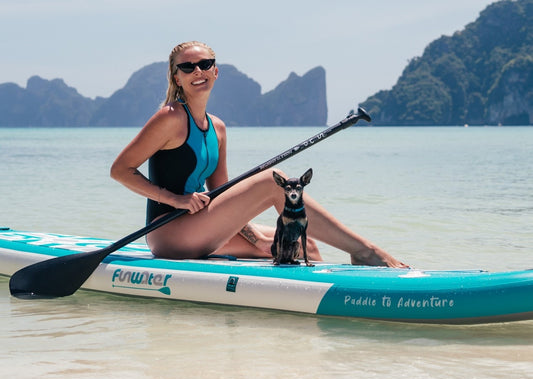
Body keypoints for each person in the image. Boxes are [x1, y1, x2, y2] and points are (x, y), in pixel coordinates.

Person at [110, 41, 408, 268]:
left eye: (205, 64)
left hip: (201, 227)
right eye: (187, 67)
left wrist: (255, 239)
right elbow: (120, 170)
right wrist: (175, 200)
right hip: (169, 234)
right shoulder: (170, 117)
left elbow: (222, 195)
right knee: (272, 181)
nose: (197, 71)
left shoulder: (218, 128)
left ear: (215, 71)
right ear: (176, 78)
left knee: (307, 248)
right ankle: (365, 250)